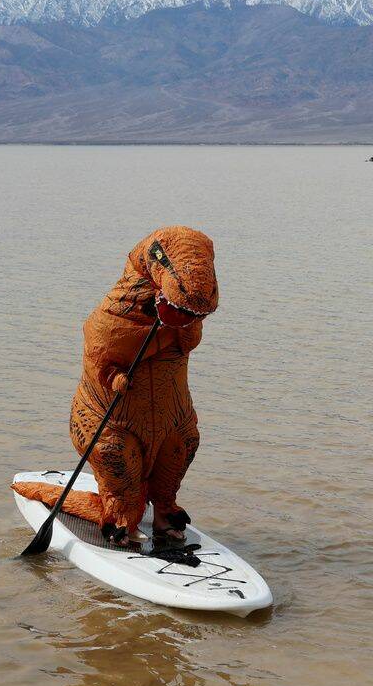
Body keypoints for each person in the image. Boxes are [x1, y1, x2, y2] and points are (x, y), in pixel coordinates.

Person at [12, 226, 219, 545]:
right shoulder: (116, 313)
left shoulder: (183, 317)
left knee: (182, 445)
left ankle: (165, 513)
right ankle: (120, 520)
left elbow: (188, 342)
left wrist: (182, 321)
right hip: (112, 421)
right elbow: (100, 352)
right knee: (116, 461)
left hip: (172, 418)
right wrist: (115, 377)